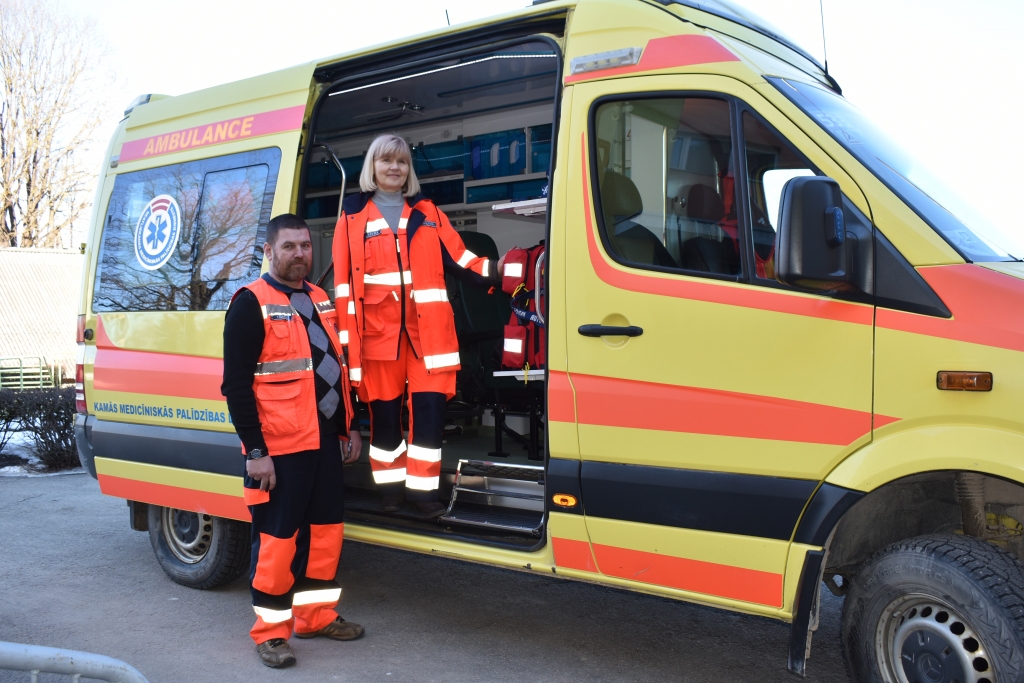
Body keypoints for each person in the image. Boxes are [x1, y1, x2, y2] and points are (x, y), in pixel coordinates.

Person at [222, 213, 364, 668]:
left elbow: (333, 372)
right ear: (269, 251)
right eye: (289, 247)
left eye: (305, 246)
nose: (300, 254)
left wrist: (349, 426)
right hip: (279, 449)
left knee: (325, 535)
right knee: (278, 541)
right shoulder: (250, 303)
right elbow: (237, 388)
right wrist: (256, 453)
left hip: (323, 439)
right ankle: (270, 633)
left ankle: (316, 616)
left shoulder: (320, 299)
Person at [332, 133, 495, 516]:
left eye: (401, 162)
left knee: (429, 420)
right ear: (372, 167)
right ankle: (390, 492)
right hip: (377, 339)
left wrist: (503, 272)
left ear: (409, 171)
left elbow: (464, 260)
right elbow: (343, 287)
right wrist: (346, 344)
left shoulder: (428, 213)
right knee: (385, 422)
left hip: (429, 338)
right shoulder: (351, 218)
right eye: (386, 160)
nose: (394, 167)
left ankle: (423, 495)